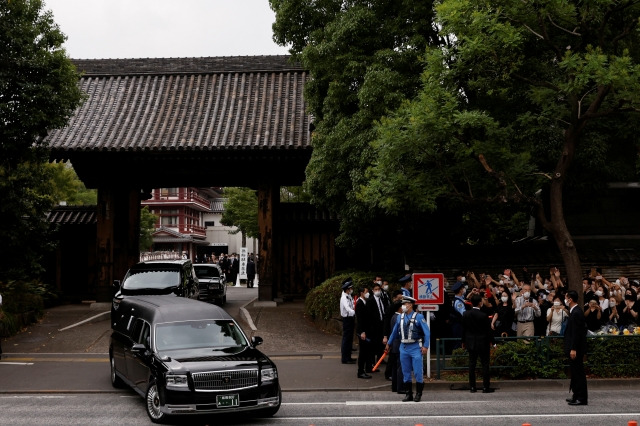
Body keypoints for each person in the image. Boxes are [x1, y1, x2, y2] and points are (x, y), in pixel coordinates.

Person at [385, 296, 430, 402]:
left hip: (415, 347)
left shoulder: (418, 317)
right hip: (403, 347)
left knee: (418, 371)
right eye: (403, 304)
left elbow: (427, 333)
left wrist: (426, 346)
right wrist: (389, 343)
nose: (403, 306)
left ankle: (418, 393)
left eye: (405, 304)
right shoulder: (400, 317)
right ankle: (408, 393)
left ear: (410, 305)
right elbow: (394, 332)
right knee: (405, 371)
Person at [462, 294, 494, 393]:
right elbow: (488, 331)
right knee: (485, 365)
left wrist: (463, 341)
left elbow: (464, 330)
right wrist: (493, 342)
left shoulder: (466, 314)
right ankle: (485, 387)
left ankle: (472, 387)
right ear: (480, 303)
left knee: (472, 364)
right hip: (483, 342)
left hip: (471, 342)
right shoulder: (483, 315)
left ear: (471, 303)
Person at [564, 290, 588, 405]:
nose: (565, 299)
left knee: (578, 373)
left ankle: (581, 397)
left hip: (576, 349)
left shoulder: (577, 312)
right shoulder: (574, 311)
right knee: (574, 372)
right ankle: (576, 395)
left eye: (566, 297)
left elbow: (577, 333)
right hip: (573, 347)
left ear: (570, 299)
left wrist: (573, 348)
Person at [355, 286, 374, 379]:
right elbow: (360, 319)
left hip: (366, 330)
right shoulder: (359, 304)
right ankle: (360, 371)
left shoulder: (365, 302)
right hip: (362, 332)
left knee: (366, 351)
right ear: (362, 293)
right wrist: (362, 331)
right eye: (366, 291)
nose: (368, 293)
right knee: (362, 352)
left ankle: (365, 369)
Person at [368, 281, 387, 368]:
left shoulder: (382, 299)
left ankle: (380, 359)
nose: (378, 291)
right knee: (373, 344)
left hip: (381, 323)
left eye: (379, 289)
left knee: (381, 343)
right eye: (376, 290)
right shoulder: (370, 301)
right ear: (372, 290)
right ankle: (372, 361)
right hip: (373, 326)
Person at [339, 278, 356, 364]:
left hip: (351, 318)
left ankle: (348, 356)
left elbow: (353, 304)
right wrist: (353, 311)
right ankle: (345, 358)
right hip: (347, 319)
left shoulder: (349, 296)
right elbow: (347, 307)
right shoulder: (344, 298)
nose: (351, 290)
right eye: (350, 288)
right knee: (346, 339)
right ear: (347, 289)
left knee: (349, 339)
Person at [449, 281, 467, 349]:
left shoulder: (458, 299)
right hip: (458, 325)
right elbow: (463, 313)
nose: (464, 290)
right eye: (463, 288)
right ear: (460, 290)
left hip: (457, 324)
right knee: (458, 342)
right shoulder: (458, 302)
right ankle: (457, 358)